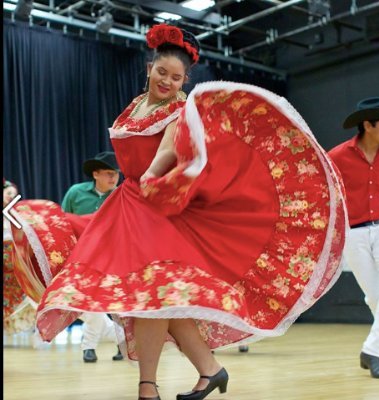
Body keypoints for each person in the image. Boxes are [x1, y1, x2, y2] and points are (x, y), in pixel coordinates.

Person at [12, 24, 346, 400]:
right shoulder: (132, 108)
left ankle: (148, 387)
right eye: (162, 72)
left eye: (176, 76)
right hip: (127, 208)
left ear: (186, 79)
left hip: (155, 211)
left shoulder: (180, 112)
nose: (168, 81)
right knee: (156, 299)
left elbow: (166, 154)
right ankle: (210, 369)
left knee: (153, 299)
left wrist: (155, 177)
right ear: (149, 68)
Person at [328, 97, 379, 379]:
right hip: (353, 234)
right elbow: (326, 193)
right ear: (367, 125)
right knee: (374, 296)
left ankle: (371, 350)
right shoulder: (336, 157)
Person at [61, 151, 123, 362]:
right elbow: (64, 222)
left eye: (115, 173)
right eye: (108, 173)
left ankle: (104, 346)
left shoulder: (121, 196)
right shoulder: (76, 192)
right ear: (95, 174)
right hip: (80, 257)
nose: (113, 178)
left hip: (113, 256)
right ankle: (116, 342)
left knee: (116, 304)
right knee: (86, 302)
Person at [3, 179, 37, 335]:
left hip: (15, 263)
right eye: (8, 193)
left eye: (14, 195)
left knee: (22, 295)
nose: (11, 197)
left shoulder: (19, 216)